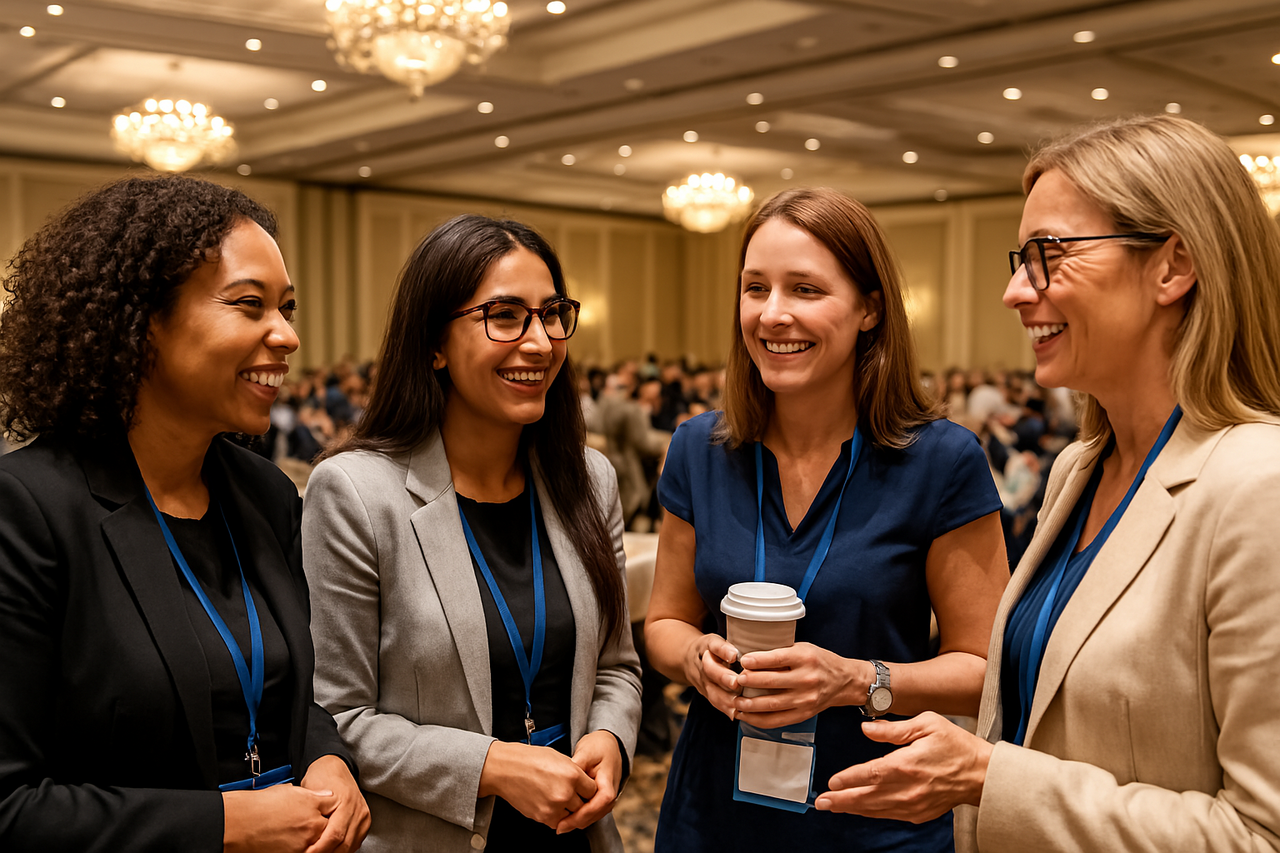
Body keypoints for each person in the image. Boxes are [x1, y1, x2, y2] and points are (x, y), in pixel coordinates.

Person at [814, 114, 1280, 853]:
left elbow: (1261, 834)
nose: (1014, 291)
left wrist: (988, 776)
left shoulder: (1259, 488)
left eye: (1049, 254)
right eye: (1018, 257)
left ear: (1172, 266)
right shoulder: (1080, 467)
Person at [0, 175, 368, 852]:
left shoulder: (266, 493)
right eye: (249, 305)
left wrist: (328, 758)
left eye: (286, 308)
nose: (285, 335)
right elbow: (11, 805)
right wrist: (226, 824)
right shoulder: (27, 508)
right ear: (140, 324)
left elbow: (297, 690)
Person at [644, 187, 1009, 852]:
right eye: (756, 288)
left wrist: (854, 679)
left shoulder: (943, 460)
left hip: (874, 812)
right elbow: (664, 622)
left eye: (806, 289)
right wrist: (696, 657)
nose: (773, 314)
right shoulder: (699, 447)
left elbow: (986, 666)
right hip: (713, 813)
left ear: (870, 308)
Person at [303, 214, 642, 853]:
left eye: (551, 314)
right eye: (505, 316)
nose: (539, 342)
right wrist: (493, 766)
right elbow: (337, 718)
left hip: (576, 833)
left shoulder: (589, 480)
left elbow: (616, 667)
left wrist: (610, 740)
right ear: (434, 343)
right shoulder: (356, 493)